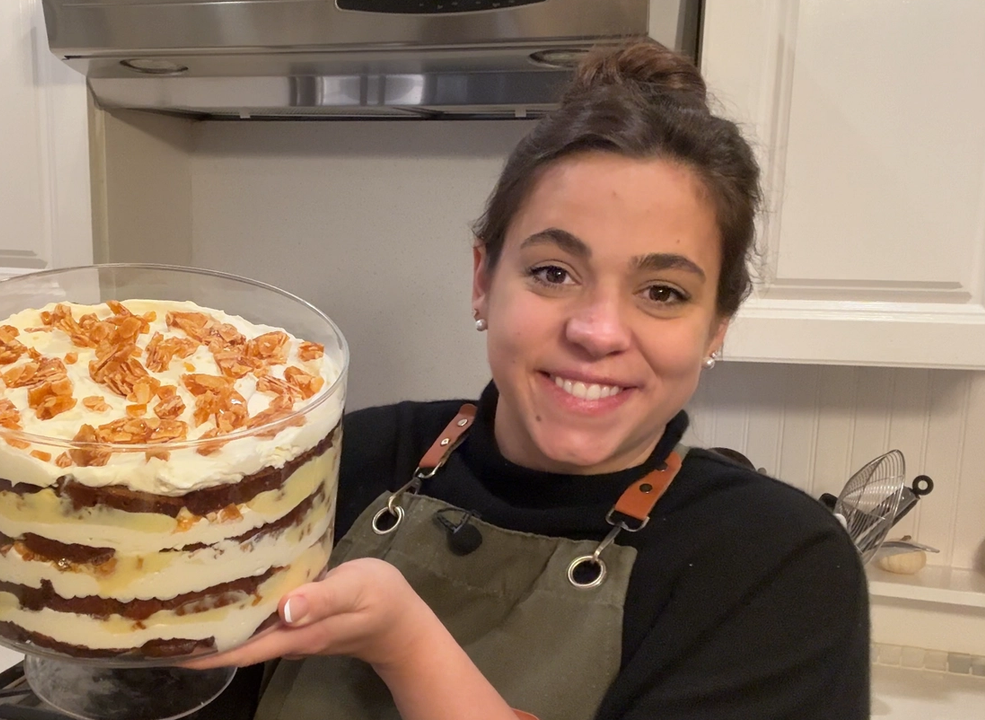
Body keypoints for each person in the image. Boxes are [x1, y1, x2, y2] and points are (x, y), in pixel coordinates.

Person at [187, 40, 870, 720]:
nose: (598, 332)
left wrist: (407, 646)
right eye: (553, 273)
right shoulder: (343, 461)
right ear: (483, 279)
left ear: (717, 324)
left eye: (662, 292)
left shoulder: (777, 566)